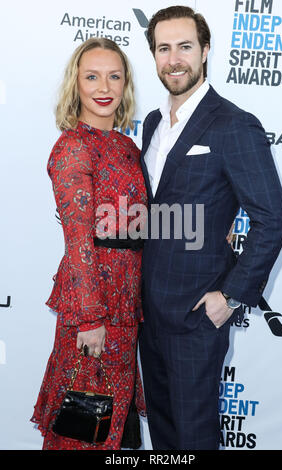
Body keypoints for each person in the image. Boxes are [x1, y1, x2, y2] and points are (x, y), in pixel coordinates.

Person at [139, 6, 282, 450]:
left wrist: (229, 296)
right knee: (164, 438)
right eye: (163, 48)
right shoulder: (151, 124)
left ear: (205, 51)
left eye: (185, 47)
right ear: (154, 56)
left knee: (194, 440)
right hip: (147, 315)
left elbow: (273, 220)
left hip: (196, 318)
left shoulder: (233, 125)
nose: (174, 59)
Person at [31, 38, 147, 450]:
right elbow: (78, 239)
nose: (104, 86)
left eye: (114, 76)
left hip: (127, 306)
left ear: (125, 84)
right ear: (76, 85)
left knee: (114, 430)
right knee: (85, 427)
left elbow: (141, 224)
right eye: (92, 76)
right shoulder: (72, 148)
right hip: (92, 309)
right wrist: (90, 318)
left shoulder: (127, 147)